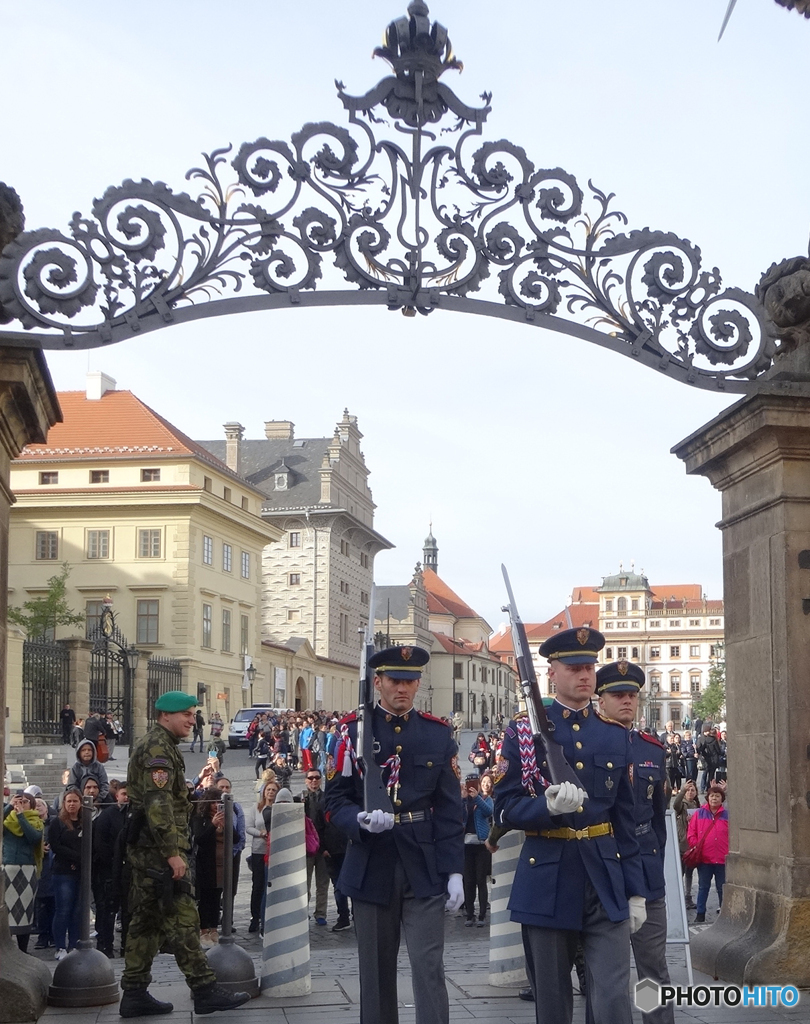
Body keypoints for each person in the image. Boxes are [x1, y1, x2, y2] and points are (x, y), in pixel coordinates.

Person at [493, 627, 647, 1024]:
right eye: (575, 667)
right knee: (552, 997)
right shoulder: (524, 733)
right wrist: (544, 806)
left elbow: (625, 822)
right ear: (552, 673)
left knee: (613, 995)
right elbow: (505, 808)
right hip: (548, 872)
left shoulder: (614, 736)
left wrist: (636, 891)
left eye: (590, 667)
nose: (585, 675)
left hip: (603, 874)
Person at [325, 645, 464, 1024]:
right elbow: (334, 799)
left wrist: (455, 871)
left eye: (410, 681)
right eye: (395, 681)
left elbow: (451, 808)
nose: (403, 689)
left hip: (425, 862)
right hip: (372, 860)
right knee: (375, 973)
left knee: (428, 967)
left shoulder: (437, 734)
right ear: (378, 682)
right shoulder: (353, 731)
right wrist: (359, 821)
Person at [120, 690, 250, 1018]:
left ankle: (134, 992)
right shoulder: (158, 748)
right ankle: (205, 989)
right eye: (187, 715)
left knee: (146, 922)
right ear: (166, 716)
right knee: (184, 918)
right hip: (158, 853)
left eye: (193, 715)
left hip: (151, 850)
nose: (193, 721)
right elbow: (158, 803)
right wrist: (172, 853)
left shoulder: (163, 745)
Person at [596, 660, 674, 1024]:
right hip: (602, 863)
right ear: (600, 700)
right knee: (603, 975)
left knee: (653, 969)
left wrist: (652, 868)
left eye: (632, 695)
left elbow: (658, 818)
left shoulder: (652, 750)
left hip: (644, 867)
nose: (626, 701)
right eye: (617, 694)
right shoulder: (587, 745)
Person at [191, 787, 239, 947]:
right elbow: (199, 839)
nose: (217, 805)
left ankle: (214, 929)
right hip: (206, 864)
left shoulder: (226, 818)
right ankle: (203, 930)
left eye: (220, 802)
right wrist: (212, 825)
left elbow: (236, 838)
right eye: (214, 802)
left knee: (216, 898)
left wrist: (226, 825)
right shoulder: (200, 818)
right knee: (205, 898)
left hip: (222, 864)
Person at [2, 790, 44, 952]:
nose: (21, 803)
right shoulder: (7, 819)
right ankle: (6, 948)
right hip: (8, 868)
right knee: (7, 910)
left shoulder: (36, 821)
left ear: (32, 805)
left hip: (26, 870)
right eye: (19, 800)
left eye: (26, 801)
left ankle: (23, 949)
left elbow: (33, 838)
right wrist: (9, 808)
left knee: (24, 911)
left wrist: (21, 816)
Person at [94, 783, 130, 957]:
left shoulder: (134, 815)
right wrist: (113, 862)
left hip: (130, 871)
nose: (127, 797)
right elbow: (100, 843)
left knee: (129, 911)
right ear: (117, 796)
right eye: (124, 794)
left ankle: (126, 947)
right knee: (108, 910)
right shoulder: (107, 816)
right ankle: (105, 946)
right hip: (109, 871)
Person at [48, 786, 83, 960]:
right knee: (63, 909)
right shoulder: (57, 822)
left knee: (77, 910)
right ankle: (60, 946)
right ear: (64, 803)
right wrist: (76, 858)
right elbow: (56, 845)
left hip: (81, 872)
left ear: (80, 803)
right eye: (69, 801)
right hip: (63, 871)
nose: (71, 804)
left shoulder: (86, 821)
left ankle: (74, 944)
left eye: (75, 801)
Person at [687, 783, 729, 923]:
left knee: (722, 888)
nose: (714, 799)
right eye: (712, 796)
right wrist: (696, 845)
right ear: (707, 798)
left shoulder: (727, 815)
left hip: (722, 859)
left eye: (717, 796)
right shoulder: (699, 813)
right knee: (703, 887)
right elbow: (691, 832)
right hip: (704, 859)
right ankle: (700, 914)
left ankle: (725, 912)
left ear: (722, 799)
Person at [246, 778, 279, 933]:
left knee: (272, 885)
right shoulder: (256, 808)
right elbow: (249, 827)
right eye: (268, 790)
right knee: (258, 885)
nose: (271, 792)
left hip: (275, 850)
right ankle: (255, 917)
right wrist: (260, 833)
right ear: (264, 792)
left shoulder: (280, 808)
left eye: (273, 790)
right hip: (259, 850)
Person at [297, 768, 329, 926]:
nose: (314, 781)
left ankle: (321, 913)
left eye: (317, 778)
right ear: (306, 780)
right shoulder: (300, 799)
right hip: (306, 848)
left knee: (322, 883)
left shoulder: (326, 798)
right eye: (311, 778)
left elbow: (330, 825)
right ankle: (303, 912)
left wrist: (327, 846)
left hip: (323, 847)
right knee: (305, 883)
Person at [461, 774, 493, 927]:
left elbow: (488, 812)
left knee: (481, 880)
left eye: (475, 783)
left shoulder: (486, 799)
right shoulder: (464, 801)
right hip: (466, 845)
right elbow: (458, 817)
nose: (472, 786)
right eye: (469, 783)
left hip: (481, 844)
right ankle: (469, 914)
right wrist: (463, 799)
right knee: (468, 881)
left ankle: (481, 915)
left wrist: (477, 798)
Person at [673, 780, 700, 909]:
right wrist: (682, 790)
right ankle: (676, 897)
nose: (690, 792)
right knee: (680, 872)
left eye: (692, 790)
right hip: (682, 844)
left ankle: (688, 896)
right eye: (688, 790)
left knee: (689, 873)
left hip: (692, 846)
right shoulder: (682, 805)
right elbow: (675, 805)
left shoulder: (697, 805)